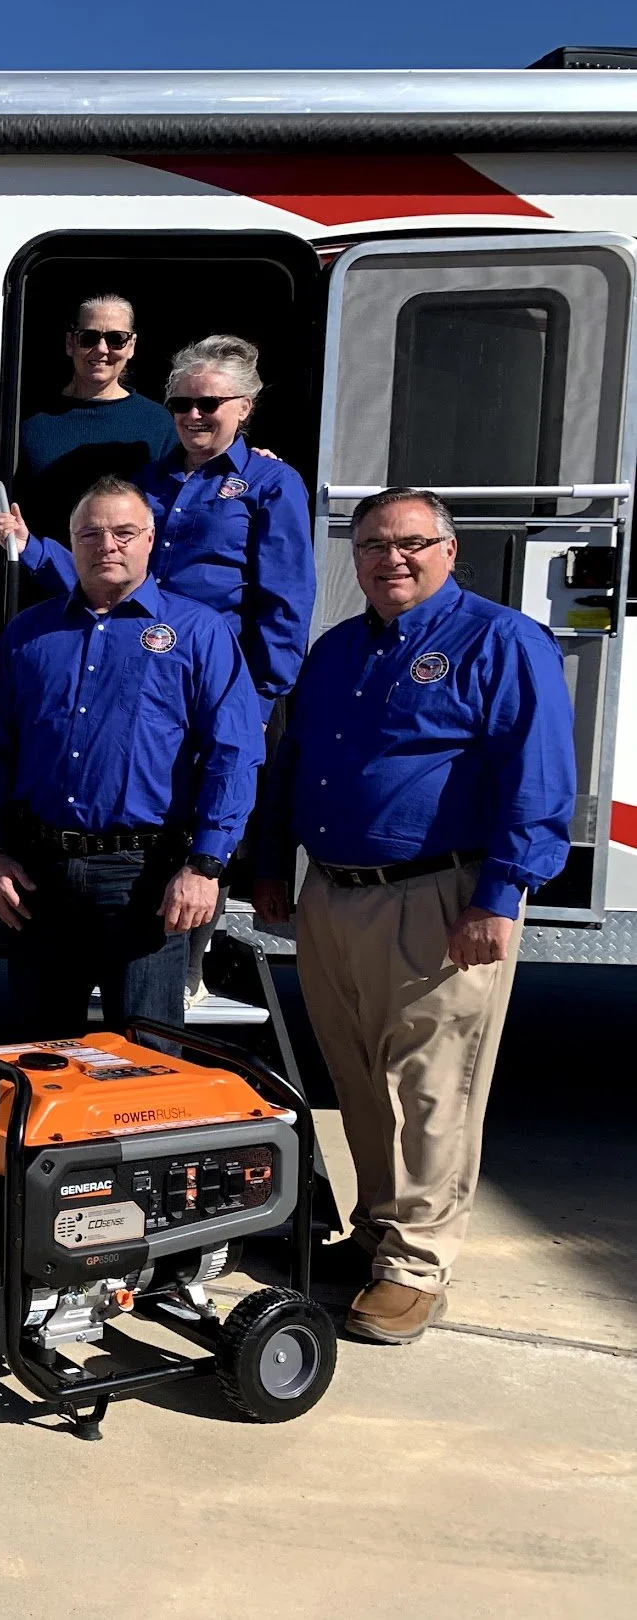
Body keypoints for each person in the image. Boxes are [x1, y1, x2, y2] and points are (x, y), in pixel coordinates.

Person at [255, 489, 574, 1346]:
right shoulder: (334, 652)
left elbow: (536, 779)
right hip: (332, 893)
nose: (389, 559)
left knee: (431, 1088)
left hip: (438, 898)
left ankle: (417, 1267)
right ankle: (375, 1235)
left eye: (409, 543)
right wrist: (270, 864)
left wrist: (499, 894)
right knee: (357, 1080)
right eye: (370, 547)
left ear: (449, 549)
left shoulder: (501, 642)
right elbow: (293, 762)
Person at [0, 334, 314, 997]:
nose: (194, 417)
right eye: (180, 404)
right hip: (140, 668)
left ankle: (186, 959)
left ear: (245, 406)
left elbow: (285, 600)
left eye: (209, 403)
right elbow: (110, 569)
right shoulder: (148, 478)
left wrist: (255, 701)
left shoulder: (269, 481)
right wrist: (32, 550)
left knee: (207, 803)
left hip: (219, 677)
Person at [0, 479, 261, 1034]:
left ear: (150, 539)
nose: (108, 545)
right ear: (71, 544)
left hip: (145, 878)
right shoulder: (30, 633)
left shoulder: (200, 632)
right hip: (39, 876)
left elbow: (235, 754)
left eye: (124, 532)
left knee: (147, 1061)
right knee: (41, 1057)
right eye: (91, 533)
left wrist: (205, 865)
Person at [8, 295, 179, 552]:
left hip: (126, 582)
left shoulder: (158, 423)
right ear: (70, 343)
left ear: (131, 346)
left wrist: (256, 457)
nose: (101, 349)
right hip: (39, 579)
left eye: (116, 339)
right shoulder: (28, 419)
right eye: (88, 337)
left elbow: (190, 490)